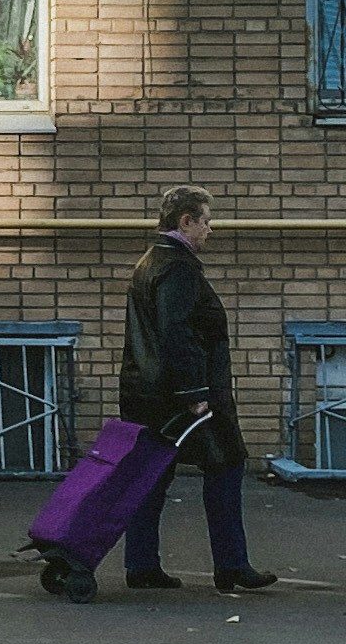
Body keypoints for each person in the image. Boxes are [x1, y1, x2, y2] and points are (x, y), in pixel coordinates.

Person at [114, 185, 273, 595]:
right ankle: (232, 564)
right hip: (185, 396)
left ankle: (142, 565)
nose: (210, 229)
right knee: (227, 464)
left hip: (148, 390)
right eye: (206, 220)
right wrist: (194, 393)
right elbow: (178, 332)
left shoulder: (151, 261)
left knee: (152, 476)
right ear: (186, 222)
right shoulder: (178, 268)